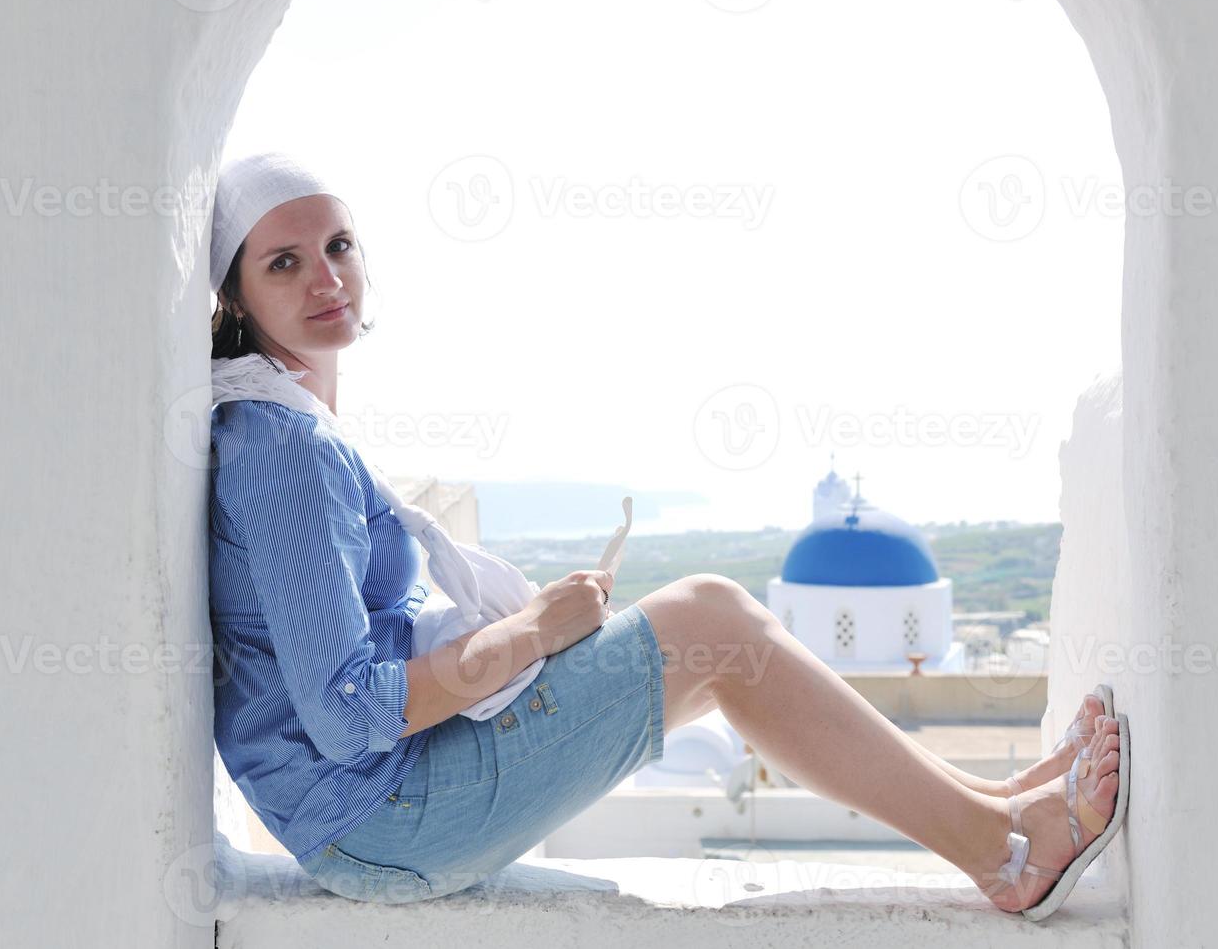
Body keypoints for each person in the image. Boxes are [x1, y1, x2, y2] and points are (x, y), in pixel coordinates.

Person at [204, 151, 1124, 916]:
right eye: (283, 262)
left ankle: (993, 805)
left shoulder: (283, 424)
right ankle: (1006, 858)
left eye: (339, 245)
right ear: (236, 297)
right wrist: (530, 631)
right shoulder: (283, 448)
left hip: (376, 804)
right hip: (379, 819)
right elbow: (345, 712)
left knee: (707, 626)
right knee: (712, 623)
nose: (326, 277)